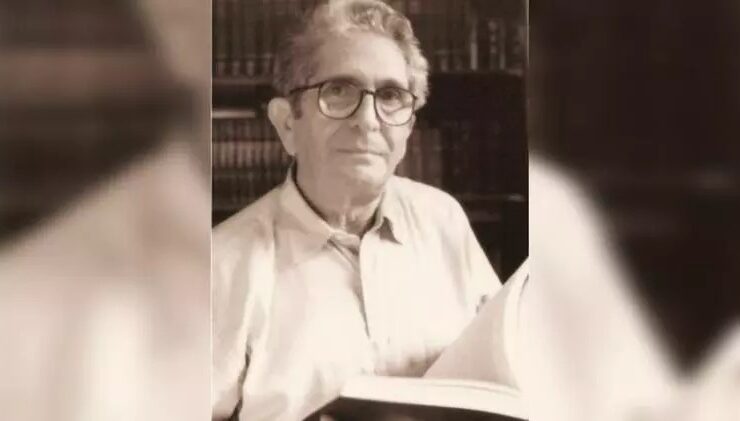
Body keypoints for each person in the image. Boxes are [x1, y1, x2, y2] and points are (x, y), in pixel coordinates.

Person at [211, 1, 502, 420]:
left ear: (408, 127)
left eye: (391, 96)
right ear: (287, 123)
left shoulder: (444, 221)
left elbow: (501, 371)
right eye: (338, 91)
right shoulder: (221, 265)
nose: (368, 120)